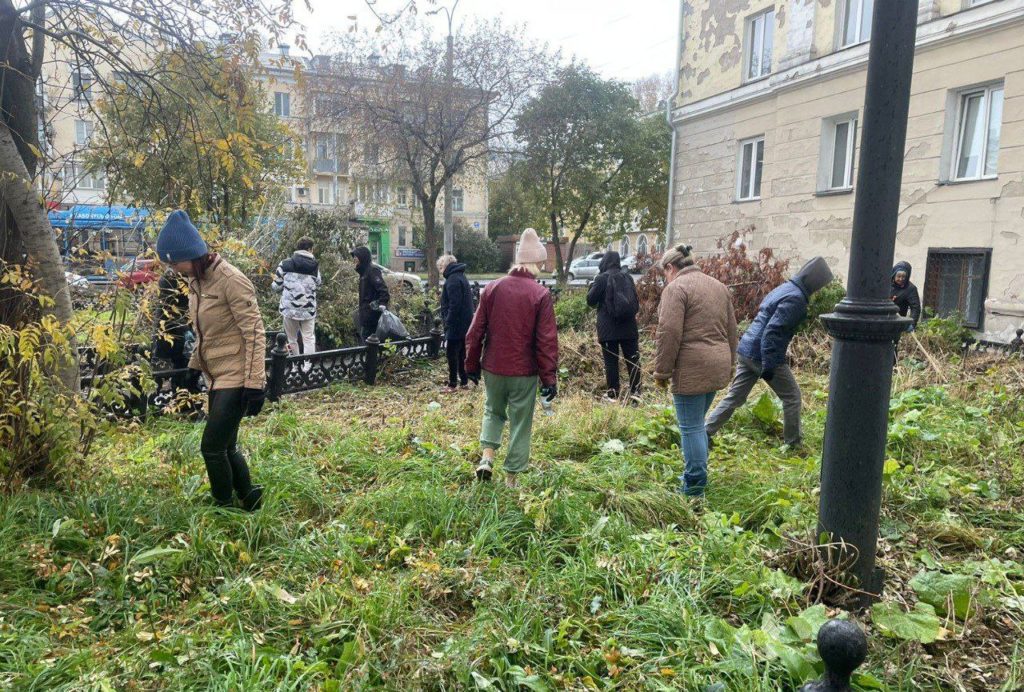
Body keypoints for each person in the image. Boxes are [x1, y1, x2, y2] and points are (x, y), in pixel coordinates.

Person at [156, 210, 266, 511]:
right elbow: (206, 334)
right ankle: (250, 498)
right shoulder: (197, 282)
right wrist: (193, 369)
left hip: (237, 375)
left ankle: (223, 506)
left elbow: (254, 332)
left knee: (211, 447)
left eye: (174, 262)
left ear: (191, 255)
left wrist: (255, 384)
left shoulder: (231, 280)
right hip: (216, 375)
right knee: (226, 445)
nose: (173, 269)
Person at [705, 256, 834, 449]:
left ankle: (705, 432)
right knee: (792, 396)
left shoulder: (785, 288)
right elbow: (772, 332)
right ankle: (793, 444)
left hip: (747, 348)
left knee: (735, 396)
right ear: (815, 282)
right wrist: (769, 365)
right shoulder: (796, 298)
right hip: (761, 353)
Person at [465, 228, 558, 488]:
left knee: (493, 411)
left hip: (493, 367)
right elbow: (546, 341)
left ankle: (486, 459)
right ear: (536, 262)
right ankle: (511, 478)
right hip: (523, 372)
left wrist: (471, 365)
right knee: (520, 422)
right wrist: (549, 378)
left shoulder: (492, 288)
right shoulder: (540, 295)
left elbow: (475, 332)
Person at [653, 244, 737, 497]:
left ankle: (694, 487)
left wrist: (662, 372)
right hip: (718, 364)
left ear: (670, 267)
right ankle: (694, 478)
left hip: (691, 368)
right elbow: (732, 331)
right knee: (697, 424)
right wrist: (730, 363)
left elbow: (669, 333)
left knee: (690, 428)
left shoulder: (676, 288)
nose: (665, 279)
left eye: (664, 273)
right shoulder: (718, 287)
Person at [586, 251, 641, 401]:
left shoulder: (601, 279)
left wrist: (591, 286)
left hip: (608, 329)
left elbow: (590, 300)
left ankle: (613, 394)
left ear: (604, 261)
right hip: (629, 327)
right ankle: (636, 394)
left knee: (611, 362)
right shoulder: (628, 277)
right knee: (633, 360)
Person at [272, 236, 322, 355]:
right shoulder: (315, 267)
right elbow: (319, 284)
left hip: (289, 309)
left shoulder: (285, 263)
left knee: (291, 339)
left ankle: (295, 367)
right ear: (310, 249)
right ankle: (307, 369)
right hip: (308, 310)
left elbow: (276, 286)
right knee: (309, 338)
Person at [438, 254, 474, 392]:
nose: (441, 271)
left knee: (451, 353)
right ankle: (464, 381)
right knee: (461, 354)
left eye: (441, 267)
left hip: (456, 323)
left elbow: (454, 304)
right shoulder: (461, 276)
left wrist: (448, 321)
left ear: (446, 266)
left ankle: (452, 384)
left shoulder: (452, 279)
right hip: (464, 322)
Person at [351, 246, 390, 342]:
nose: (354, 259)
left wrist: (383, 303)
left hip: (372, 314)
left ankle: (373, 357)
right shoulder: (363, 272)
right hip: (366, 313)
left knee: (368, 341)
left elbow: (383, 289)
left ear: (362, 257)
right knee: (367, 340)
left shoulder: (372, 271)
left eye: (356, 256)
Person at [891, 261, 921, 329]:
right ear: (894, 275)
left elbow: (915, 308)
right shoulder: (886, 285)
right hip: (883, 320)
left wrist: (912, 324)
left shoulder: (910, 289)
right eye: (898, 276)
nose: (901, 279)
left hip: (898, 324)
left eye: (904, 277)